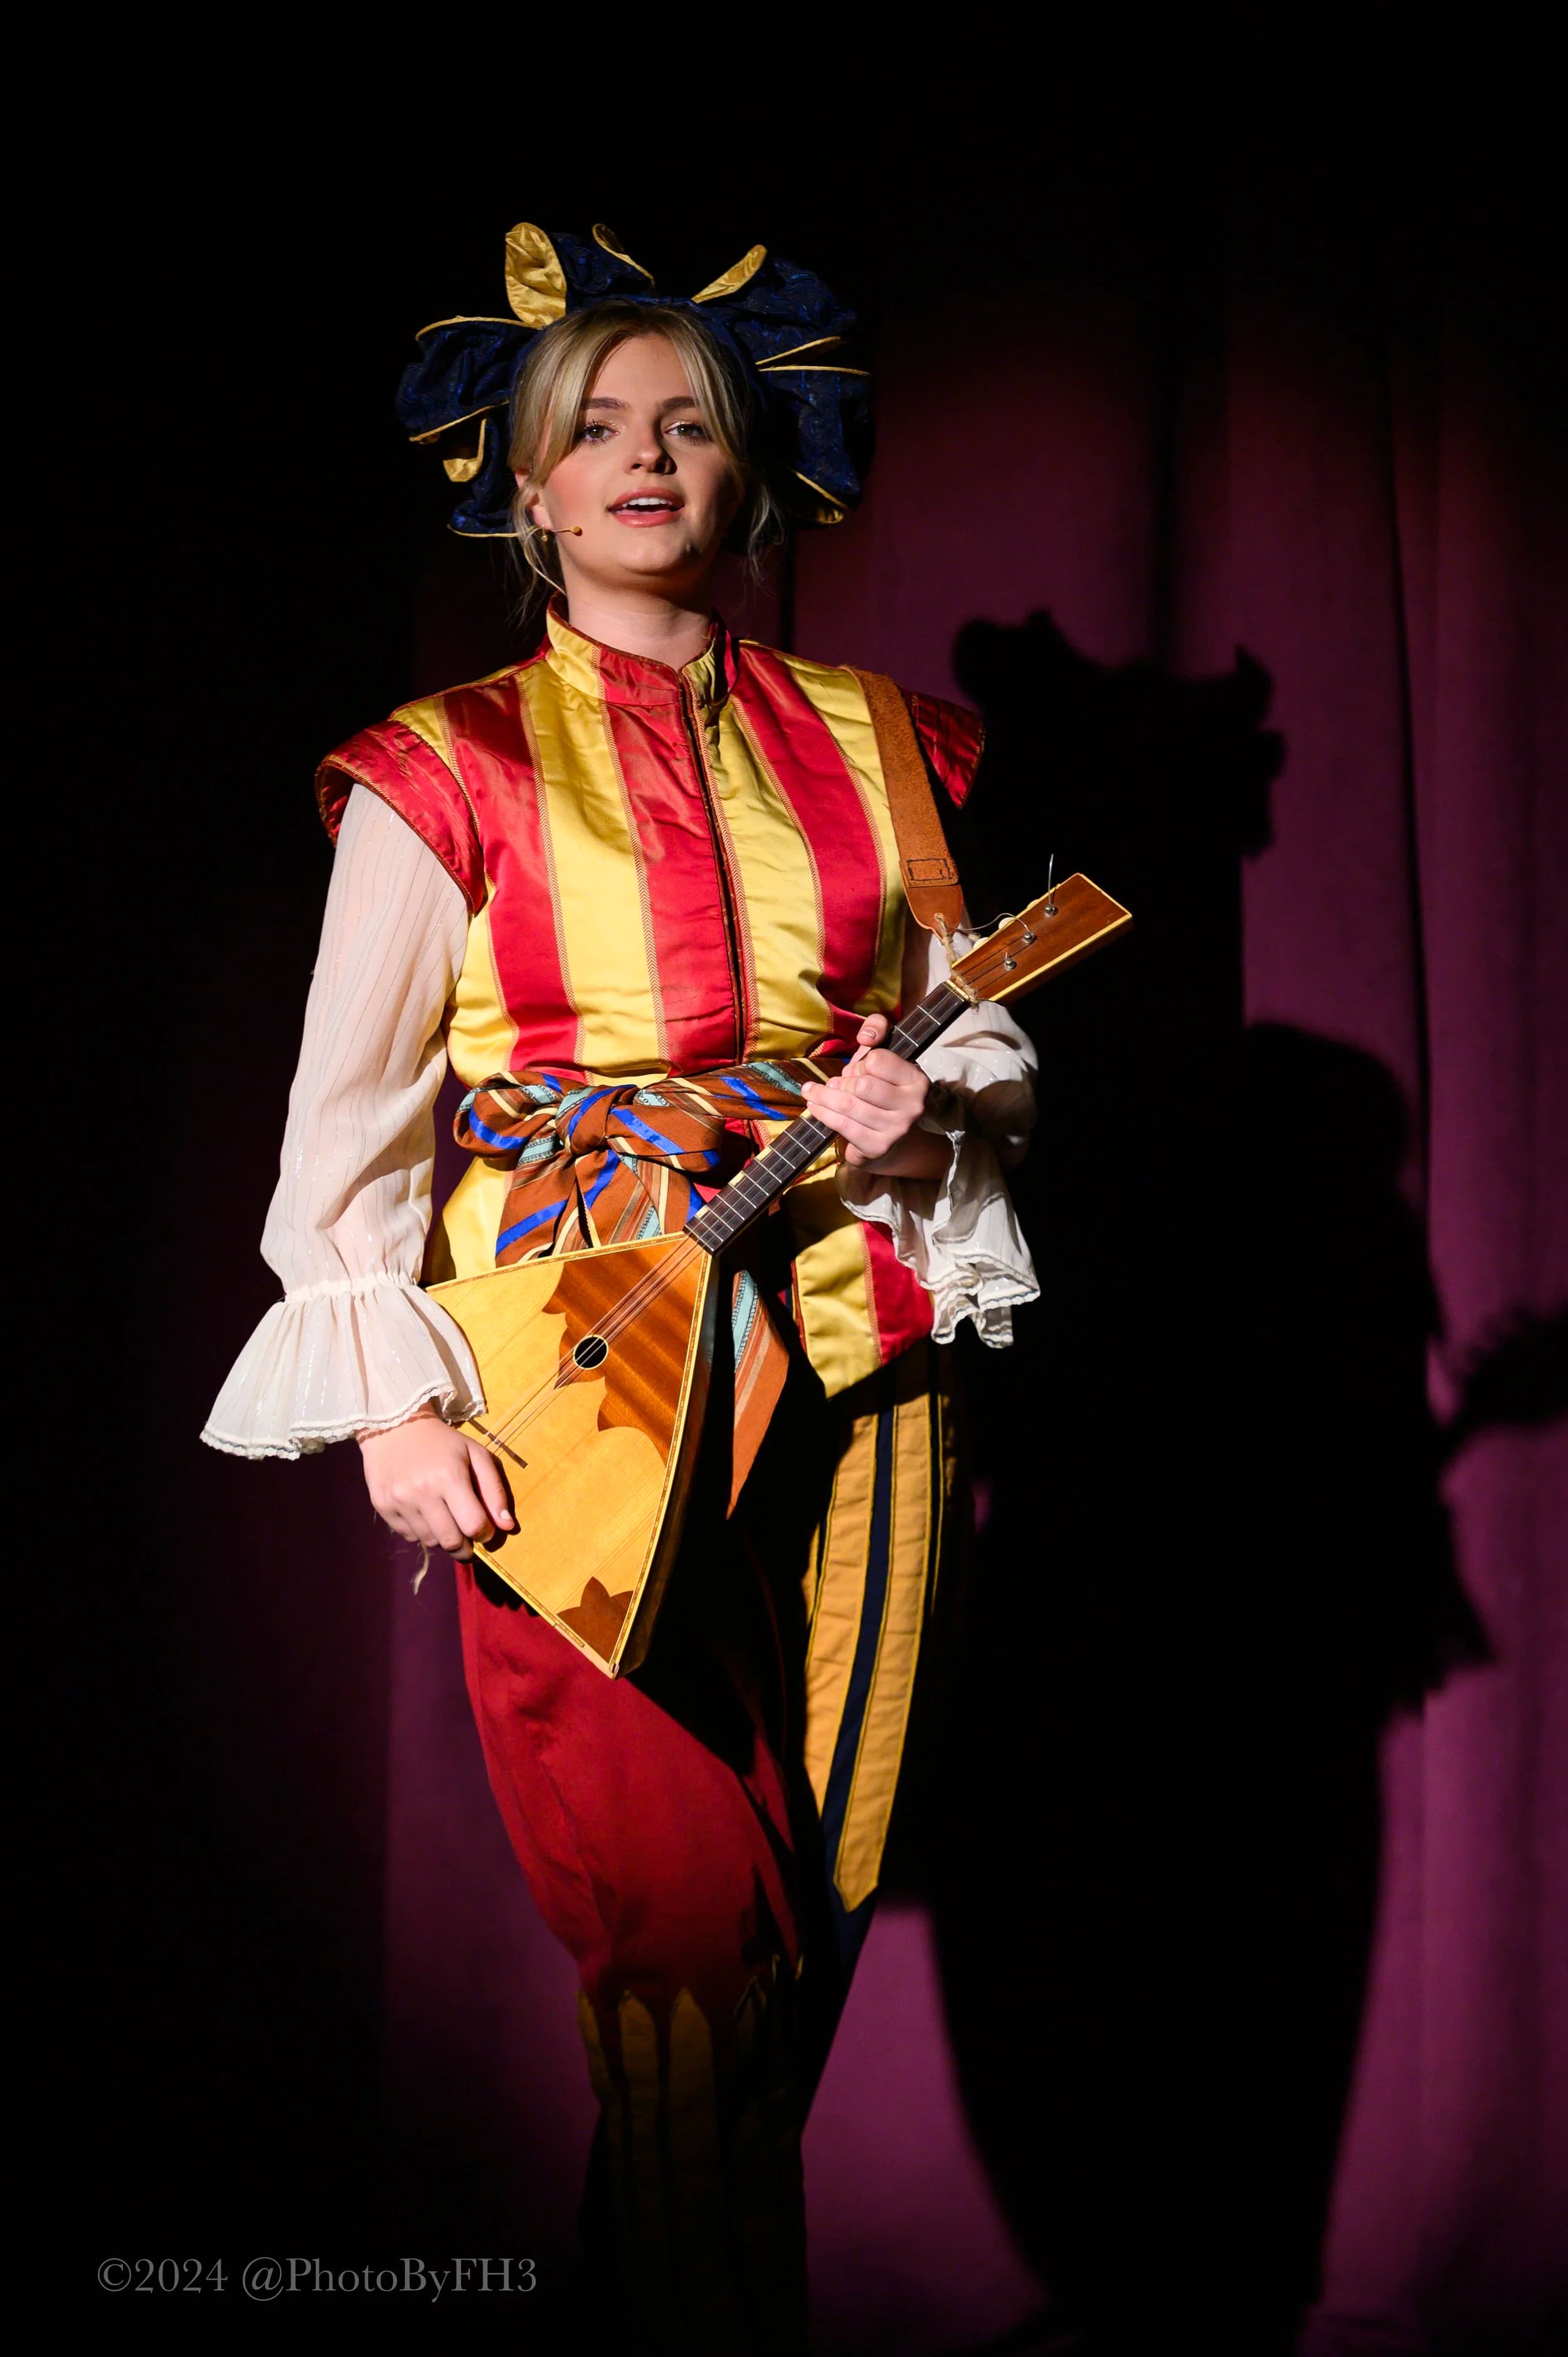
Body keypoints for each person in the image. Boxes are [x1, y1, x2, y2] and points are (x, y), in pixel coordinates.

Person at [203, 220, 1038, 2353]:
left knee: (815, 1890)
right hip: (572, 1391)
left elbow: (982, 1045)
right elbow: (345, 1123)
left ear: (752, 466)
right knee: (673, 1911)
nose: (645, 458)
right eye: (597, 428)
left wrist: (919, 1119)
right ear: (530, 484)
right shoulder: (442, 766)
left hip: (865, 1355)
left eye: (687, 422)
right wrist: (393, 1406)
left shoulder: (887, 746)